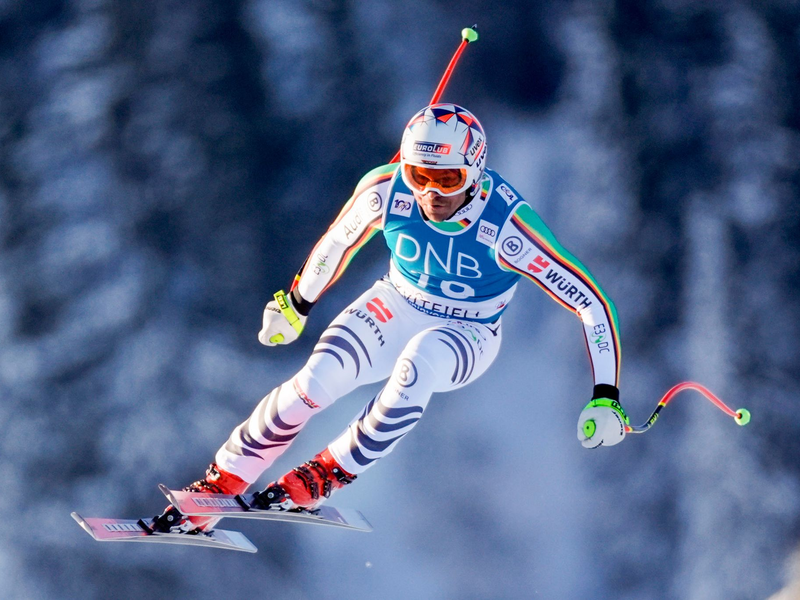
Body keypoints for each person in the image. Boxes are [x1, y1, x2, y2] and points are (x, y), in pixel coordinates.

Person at [153, 103, 628, 533]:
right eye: (420, 175)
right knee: (316, 379)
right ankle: (218, 486)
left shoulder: (508, 226)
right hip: (397, 302)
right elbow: (337, 242)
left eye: (447, 180)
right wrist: (296, 304)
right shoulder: (385, 188)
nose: (430, 194)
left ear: (476, 172)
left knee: (419, 363)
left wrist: (606, 396)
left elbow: (591, 301)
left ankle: (321, 476)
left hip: (468, 331)